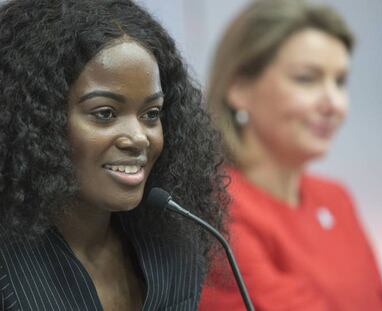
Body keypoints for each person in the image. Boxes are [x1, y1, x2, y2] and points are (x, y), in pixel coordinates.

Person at [0, 0, 228, 310]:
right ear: (34, 120)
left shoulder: (174, 250)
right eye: (105, 114)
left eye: (151, 114)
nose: (138, 138)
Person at [199, 0, 382, 310]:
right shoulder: (215, 207)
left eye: (340, 82)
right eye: (307, 79)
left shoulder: (335, 198)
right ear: (239, 88)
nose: (334, 103)